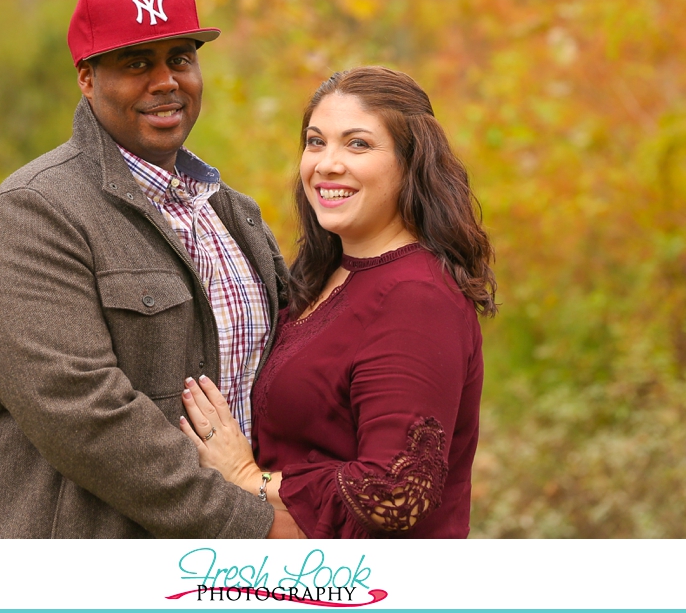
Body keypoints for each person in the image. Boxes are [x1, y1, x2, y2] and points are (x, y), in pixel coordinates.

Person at [0, 0, 303, 540]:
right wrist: (251, 526)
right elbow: (85, 416)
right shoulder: (34, 215)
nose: (166, 82)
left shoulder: (233, 214)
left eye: (180, 59)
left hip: (219, 566)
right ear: (86, 78)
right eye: (137, 64)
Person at [177, 67, 493, 538]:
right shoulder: (325, 275)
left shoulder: (416, 297)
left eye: (358, 144)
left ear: (411, 162)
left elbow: (397, 491)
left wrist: (249, 478)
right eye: (316, 141)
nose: (327, 163)